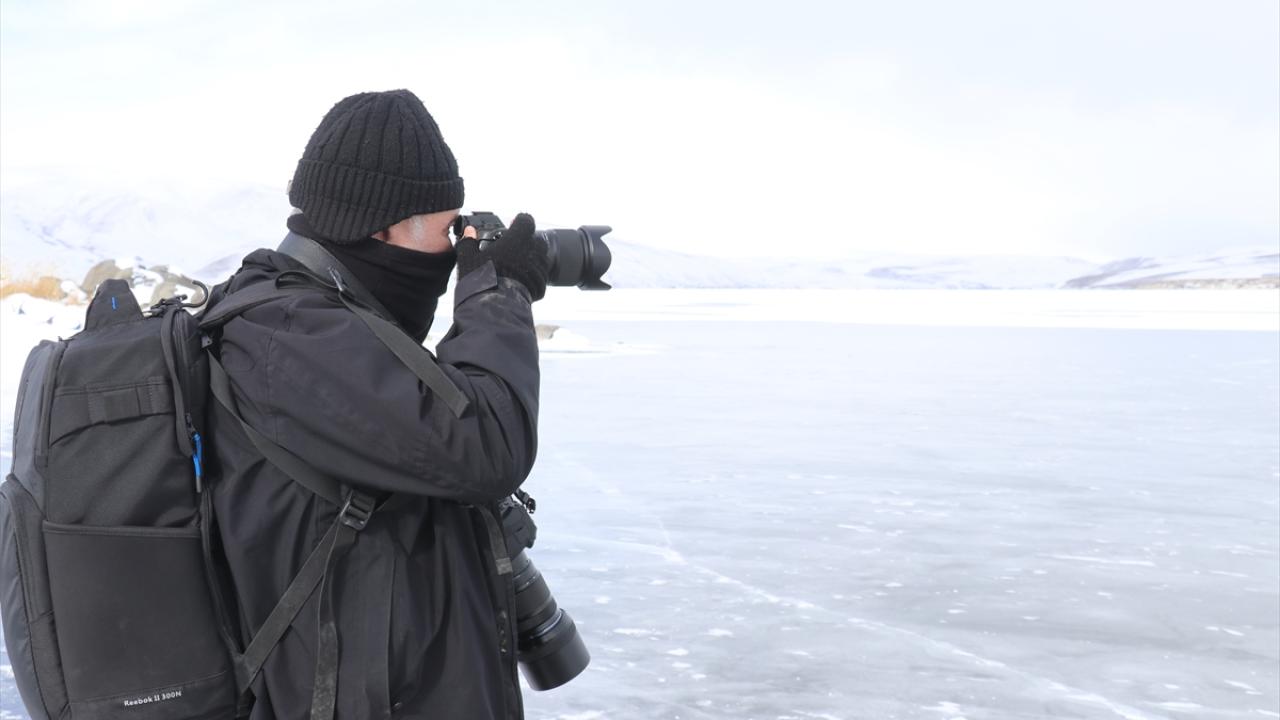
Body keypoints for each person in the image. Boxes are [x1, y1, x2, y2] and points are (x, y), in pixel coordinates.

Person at [207, 89, 548, 719]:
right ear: (384, 226)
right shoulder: (289, 335)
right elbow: (485, 444)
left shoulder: (316, 326)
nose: (456, 253)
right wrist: (496, 290)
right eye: (449, 231)